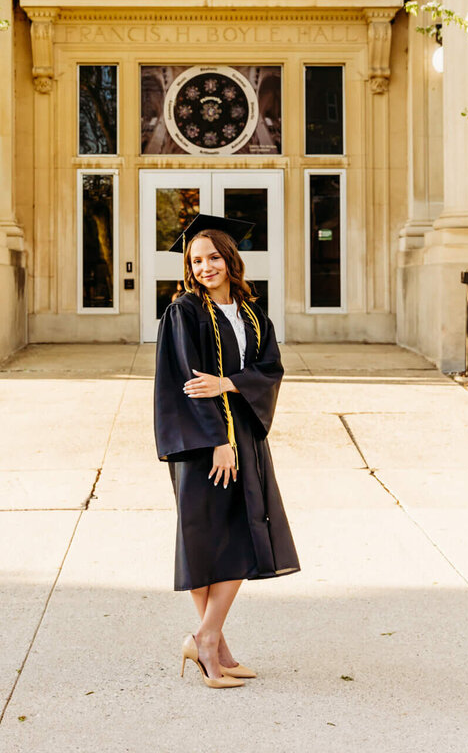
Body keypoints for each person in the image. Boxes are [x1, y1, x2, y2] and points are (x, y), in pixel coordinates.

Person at [154, 213, 300, 689]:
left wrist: (230, 383)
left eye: (213, 257)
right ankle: (209, 641)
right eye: (196, 261)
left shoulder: (256, 316)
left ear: (230, 259)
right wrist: (218, 440)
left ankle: (209, 641)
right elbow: (189, 384)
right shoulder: (185, 312)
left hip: (245, 437)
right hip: (204, 442)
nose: (204, 267)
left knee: (237, 532)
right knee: (209, 540)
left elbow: (270, 371)